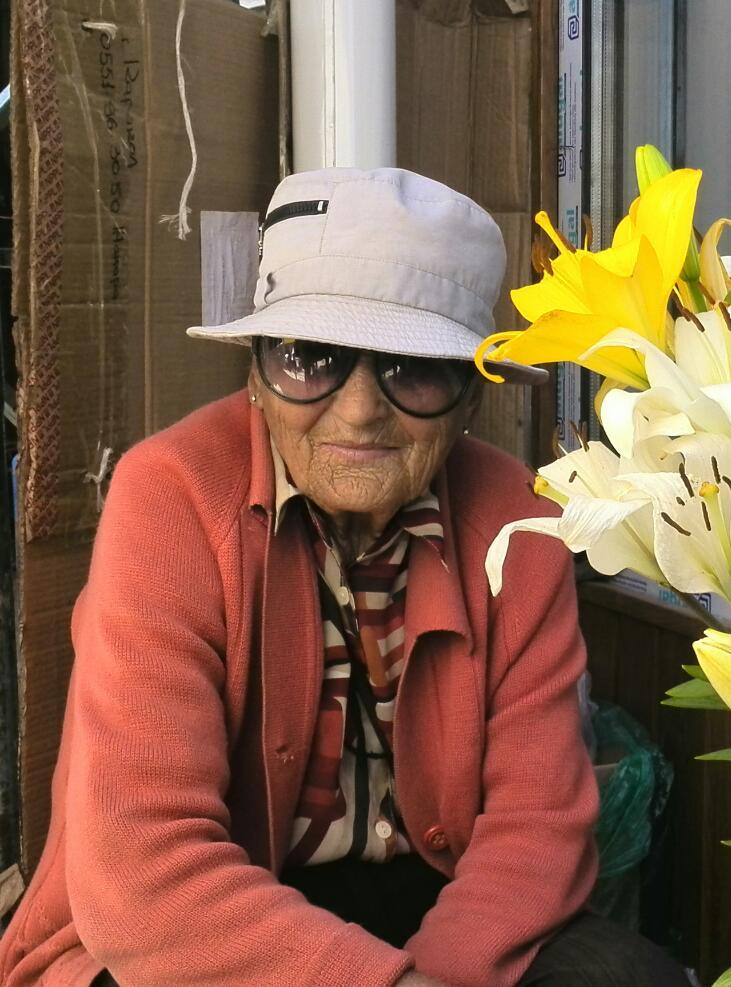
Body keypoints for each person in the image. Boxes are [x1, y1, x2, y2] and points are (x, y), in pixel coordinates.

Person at [0, 168, 689, 986]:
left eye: (413, 368)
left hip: (441, 903)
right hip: (218, 913)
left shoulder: (519, 516)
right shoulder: (169, 497)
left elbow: (538, 826)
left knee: (626, 976)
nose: (360, 411)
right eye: (309, 358)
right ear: (256, 377)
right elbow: (144, 868)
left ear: (470, 398)